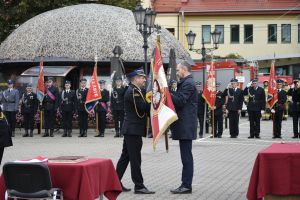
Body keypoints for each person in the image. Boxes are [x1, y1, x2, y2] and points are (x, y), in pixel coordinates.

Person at [116, 68, 155, 194]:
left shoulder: (136, 90)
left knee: (125, 157)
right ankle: (139, 186)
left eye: (144, 77)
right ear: (135, 79)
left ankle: (115, 183)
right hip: (133, 130)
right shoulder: (133, 92)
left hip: (131, 129)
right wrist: (156, 104)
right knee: (135, 159)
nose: (144, 80)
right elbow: (143, 107)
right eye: (142, 77)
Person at [170, 61, 197, 194]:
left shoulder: (188, 83)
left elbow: (180, 101)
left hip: (186, 125)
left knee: (186, 157)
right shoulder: (187, 82)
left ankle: (186, 185)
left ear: (184, 69)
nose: (177, 72)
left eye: (178, 70)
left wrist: (167, 93)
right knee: (185, 157)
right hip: (184, 125)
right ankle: (185, 184)